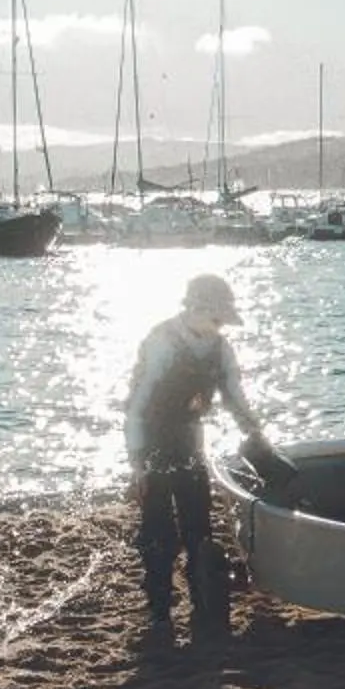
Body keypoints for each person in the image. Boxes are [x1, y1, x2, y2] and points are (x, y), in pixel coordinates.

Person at [125, 272, 269, 640]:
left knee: (198, 526)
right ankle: (159, 613)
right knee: (158, 533)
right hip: (155, 442)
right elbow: (137, 407)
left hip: (191, 440)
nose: (221, 326)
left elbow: (234, 395)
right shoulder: (162, 342)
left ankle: (202, 604)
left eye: (224, 320)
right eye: (216, 318)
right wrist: (137, 462)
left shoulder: (221, 349)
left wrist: (254, 431)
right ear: (195, 309)